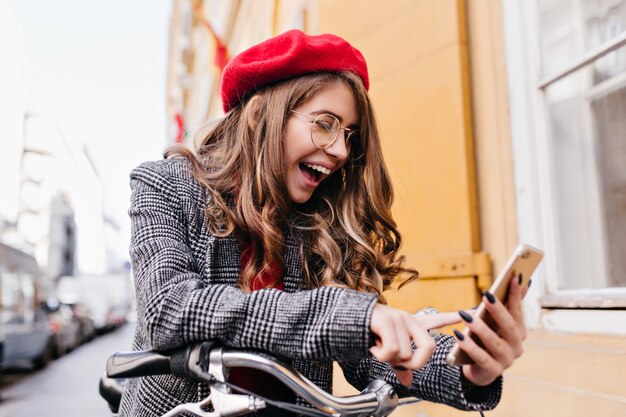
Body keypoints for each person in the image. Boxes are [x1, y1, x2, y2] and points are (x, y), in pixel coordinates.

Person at [119, 29, 528, 417]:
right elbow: (167, 310)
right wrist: (351, 316)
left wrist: (467, 369)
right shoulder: (166, 184)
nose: (339, 150)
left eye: (349, 134)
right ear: (261, 116)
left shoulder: (318, 224)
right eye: (325, 124)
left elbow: (364, 349)